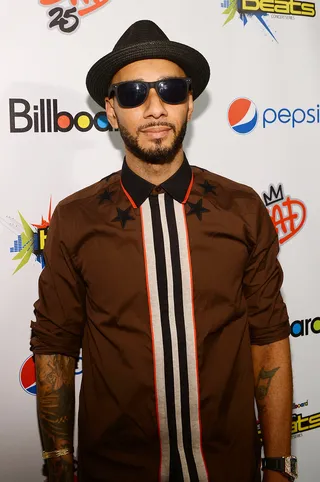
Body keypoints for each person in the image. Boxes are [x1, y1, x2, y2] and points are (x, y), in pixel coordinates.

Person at [30, 19, 297, 482]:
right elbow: (55, 346)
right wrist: (57, 461)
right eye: (133, 94)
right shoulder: (76, 220)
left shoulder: (242, 207)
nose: (155, 108)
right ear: (111, 111)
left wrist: (277, 465)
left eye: (170, 90)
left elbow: (269, 339)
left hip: (228, 467)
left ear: (190, 103)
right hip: (116, 471)